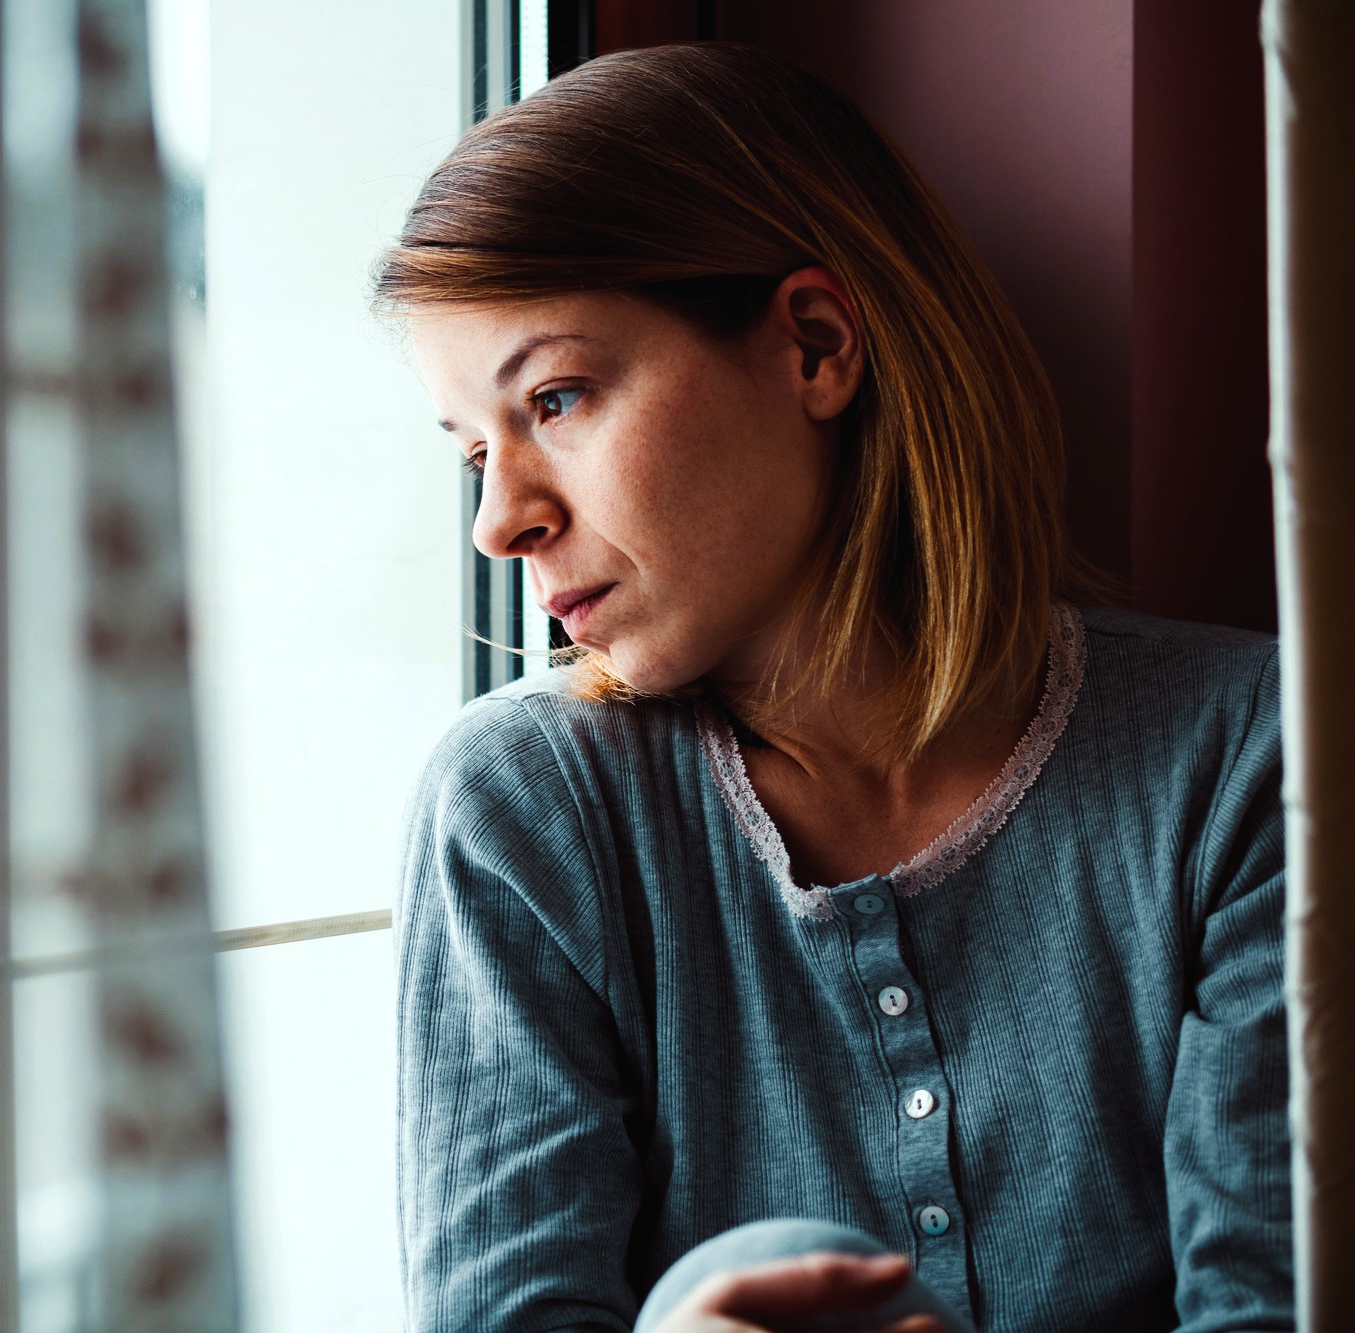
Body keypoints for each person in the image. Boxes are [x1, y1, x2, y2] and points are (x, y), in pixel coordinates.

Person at [375, 43, 1291, 1333]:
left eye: (557, 398)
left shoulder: (1243, 759)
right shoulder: (523, 815)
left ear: (814, 345)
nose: (499, 521)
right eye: (475, 450)